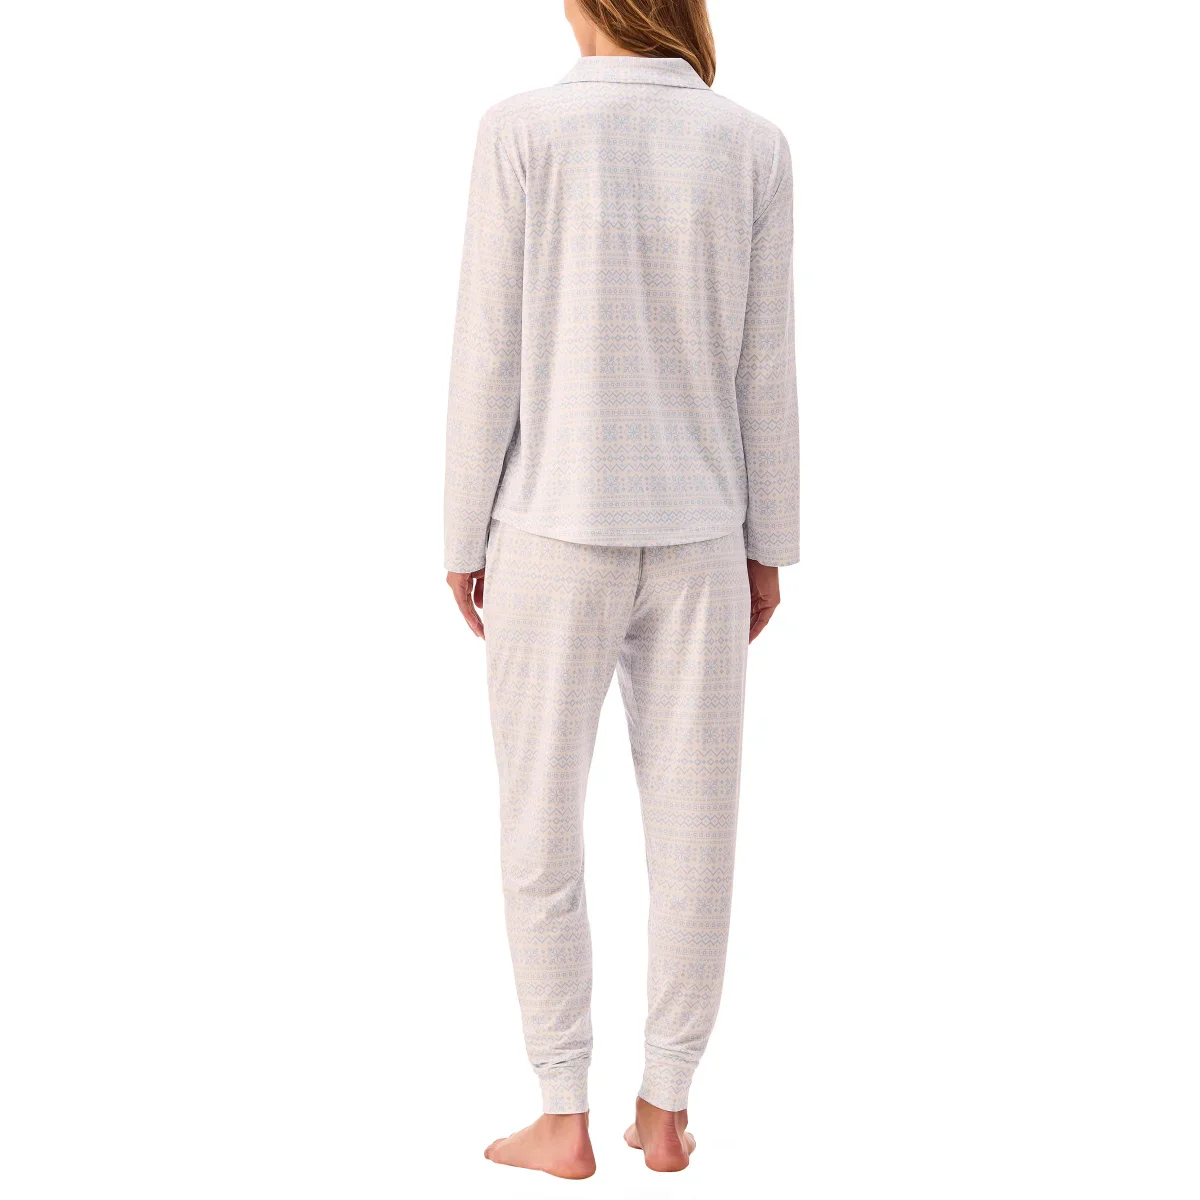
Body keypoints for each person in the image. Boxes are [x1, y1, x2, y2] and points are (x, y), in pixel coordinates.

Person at [443, 0, 797, 1179]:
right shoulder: (751, 143)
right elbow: (766, 363)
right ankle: (667, 1107)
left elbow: (487, 350)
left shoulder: (521, 131)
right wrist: (768, 544)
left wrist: (459, 530)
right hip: (702, 535)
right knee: (697, 831)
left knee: (539, 827)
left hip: (549, 530)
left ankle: (562, 1113)